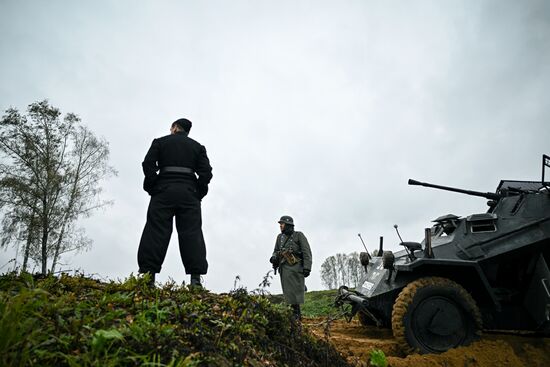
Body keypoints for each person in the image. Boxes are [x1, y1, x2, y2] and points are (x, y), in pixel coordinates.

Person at [137, 118, 213, 287]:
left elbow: (148, 164)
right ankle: (195, 280)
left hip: (163, 191)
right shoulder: (198, 147)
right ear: (187, 131)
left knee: (155, 231)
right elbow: (206, 173)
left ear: (174, 128)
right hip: (189, 193)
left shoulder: (160, 142)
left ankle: (149, 277)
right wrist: (198, 192)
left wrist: (153, 186)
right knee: (192, 233)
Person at [270, 215, 312, 321]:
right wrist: (274, 257)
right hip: (284, 269)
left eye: (282, 224)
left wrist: (307, 267)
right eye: (280, 224)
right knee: (288, 293)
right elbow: (276, 250)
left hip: (296, 268)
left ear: (288, 225)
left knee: (294, 293)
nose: (280, 226)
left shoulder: (299, 235)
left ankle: (296, 315)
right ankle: (294, 314)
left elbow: (307, 252)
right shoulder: (280, 237)